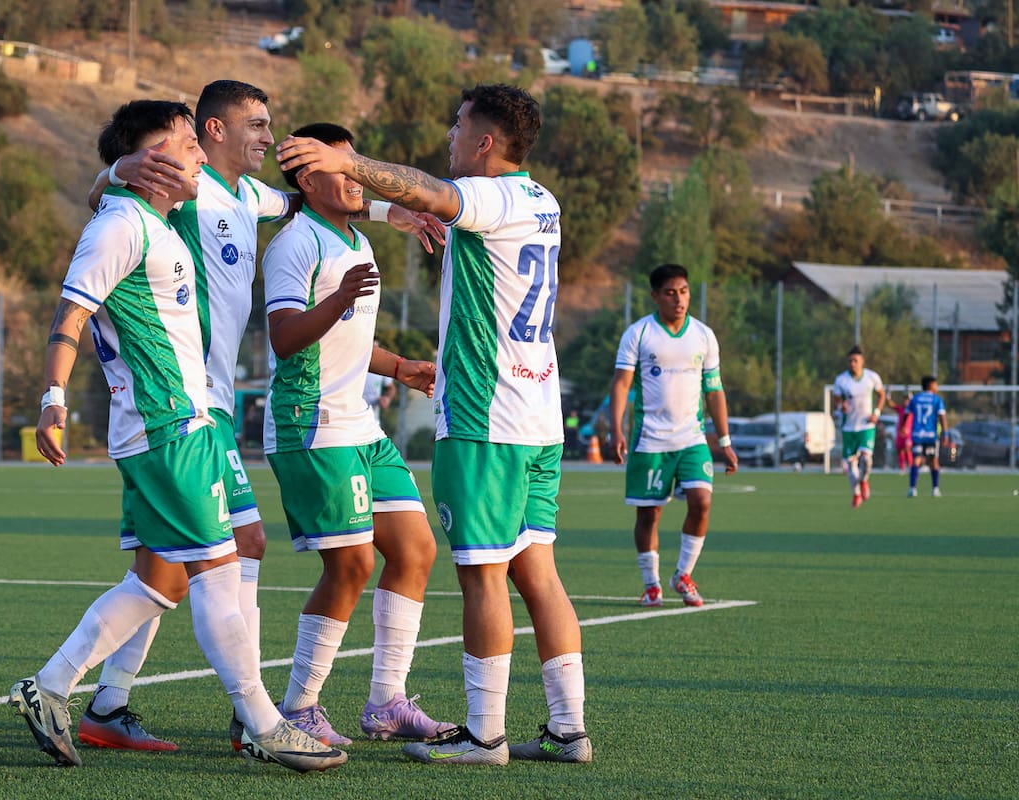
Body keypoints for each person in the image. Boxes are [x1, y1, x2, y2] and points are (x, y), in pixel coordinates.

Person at [83, 80, 441, 752]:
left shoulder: (252, 197)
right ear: (213, 131)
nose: (269, 138)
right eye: (256, 124)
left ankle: (109, 706)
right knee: (232, 549)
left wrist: (388, 208)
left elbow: (314, 194)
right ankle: (259, 719)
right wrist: (112, 171)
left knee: (163, 566)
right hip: (176, 403)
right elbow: (110, 203)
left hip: (205, 403)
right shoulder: (185, 191)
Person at [8, 99, 346, 773]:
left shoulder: (161, 222)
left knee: (159, 580)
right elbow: (71, 312)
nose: (197, 153)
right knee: (219, 571)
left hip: (179, 425)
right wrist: (51, 402)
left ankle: (50, 688)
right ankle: (263, 724)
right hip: (169, 429)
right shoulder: (122, 225)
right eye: (185, 143)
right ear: (151, 161)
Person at [277, 83, 592, 765]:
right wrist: (385, 203)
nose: (450, 138)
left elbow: (430, 192)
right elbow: (427, 203)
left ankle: (486, 737)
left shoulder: (492, 196)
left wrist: (347, 160)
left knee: (482, 575)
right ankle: (569, 730)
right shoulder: (543, 200)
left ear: (485, 142)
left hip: (485, 421)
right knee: (539, 571)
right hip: (540, 419)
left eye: (458, 127)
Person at [263, 122, 454, 747]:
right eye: (341, 169)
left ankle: (386, 704)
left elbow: (348, 340)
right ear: (306, 176)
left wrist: (399, 366)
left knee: (417, 551)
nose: (355, 179)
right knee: (350, 564)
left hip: (361, 425)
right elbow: (286, 339)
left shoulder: (356, 240)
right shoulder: (295, 244)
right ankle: (298, 707)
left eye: (356, 167)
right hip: (311, 422)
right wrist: (340, 296)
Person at [607, 263, 738, 610]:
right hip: (650, 441)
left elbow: (714, 390)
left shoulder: (704, 336)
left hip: (692, 438)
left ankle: (683, 573)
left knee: (702, 501)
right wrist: (616, 428)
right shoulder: (639, 334)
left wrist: (724, 440)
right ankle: (651, 584)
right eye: (670, 292)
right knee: (648, 516)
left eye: (683, 291)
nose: (678, 299)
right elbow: (621, 384)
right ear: (655, 296)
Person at [832, 345, 885, 509]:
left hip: (866, 425)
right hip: (849, 427)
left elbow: (881, 395)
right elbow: (836, 399)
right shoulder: (841, 380)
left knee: (867, 459)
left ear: (862, 361)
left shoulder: (871, 377)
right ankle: (856, 494)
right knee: (850, 464)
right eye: (850, 361)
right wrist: (841, 406)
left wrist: (876, 412)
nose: (853, 363)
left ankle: (864, 481)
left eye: (855, 360)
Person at [906, 375, 949, 498]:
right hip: (931, 435)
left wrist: (904, 426)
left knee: (916, 460)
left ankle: (912, 488)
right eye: (936, 384)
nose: (937, 387)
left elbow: (906, 413)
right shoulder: (937, 400)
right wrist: (945, 434)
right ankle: (935, 489)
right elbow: (942, 417)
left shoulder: (915, 399)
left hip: (917, 434)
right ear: (930, 385)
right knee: (934, 461)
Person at [363, 343, 398, 426]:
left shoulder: (382, 368)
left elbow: (391, 388)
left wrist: (387, 398)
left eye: (376, 349)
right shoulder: (352, 366)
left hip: (372, 421)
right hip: (349, 421)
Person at [892, 394, 913, 473]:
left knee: (907, 449)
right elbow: (892, 405)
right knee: (900, 450)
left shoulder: (912, 410)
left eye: (907, 400)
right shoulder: (901, 409)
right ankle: (902, 468)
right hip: (900, 434)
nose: (905, 401)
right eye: (905, 400)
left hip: (908, 434)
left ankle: (911, 467)